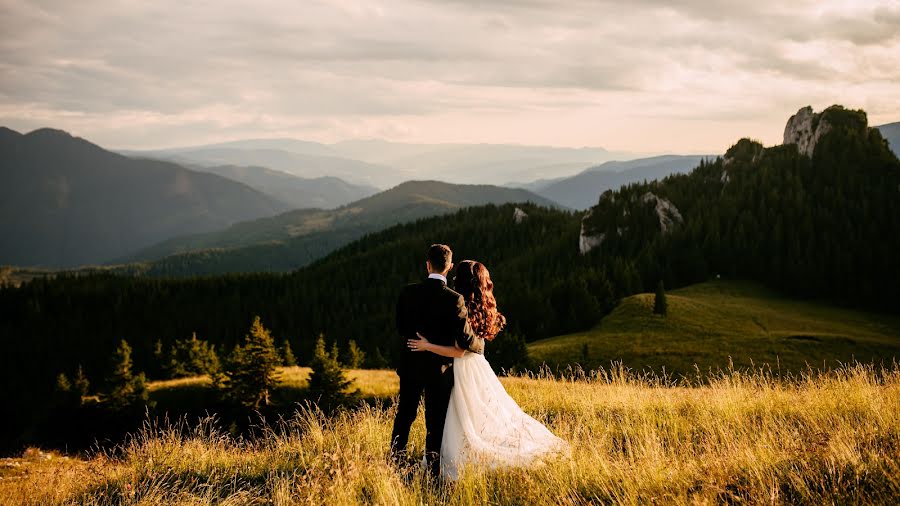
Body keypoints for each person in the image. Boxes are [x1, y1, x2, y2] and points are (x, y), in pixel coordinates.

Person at [407, 259, 568, 481]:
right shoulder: (483, 305)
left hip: (462, 369)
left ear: (461, 281)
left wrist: (427, 345)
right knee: (480, 414)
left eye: (456, 277)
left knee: (462, 417)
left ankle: (451, 459)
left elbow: (459, 351)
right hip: (478, 368)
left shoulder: (459, 305)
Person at [390, 244, 483, 478]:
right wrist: (480, 345)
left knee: (405, 415)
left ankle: (394, 463)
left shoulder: (407, 292)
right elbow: (464, 339)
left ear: (427, 264)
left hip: (411, 365)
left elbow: (401, 328)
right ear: (450, 267)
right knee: (435, 422)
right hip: (438, 371)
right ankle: (432, 472)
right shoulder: (454, 300)